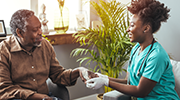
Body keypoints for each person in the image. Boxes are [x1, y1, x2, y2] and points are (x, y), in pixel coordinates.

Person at [86, 0, 180, 99]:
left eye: (132, 25)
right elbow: (128, 81)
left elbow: (141, 91)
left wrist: (106, 83)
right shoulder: (135, 50)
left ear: (146, 28)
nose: (127, 29)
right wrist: (103, 78)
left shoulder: (157, 56)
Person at [0, 9, 90, 100]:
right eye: (35, 30)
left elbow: (58, 75)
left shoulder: (45, 45)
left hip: (46, 97)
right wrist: (37, 97)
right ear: (19, 32)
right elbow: (4, 89)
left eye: (40, 28)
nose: (40, 32)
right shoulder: (3, 50)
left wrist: (79, 71)